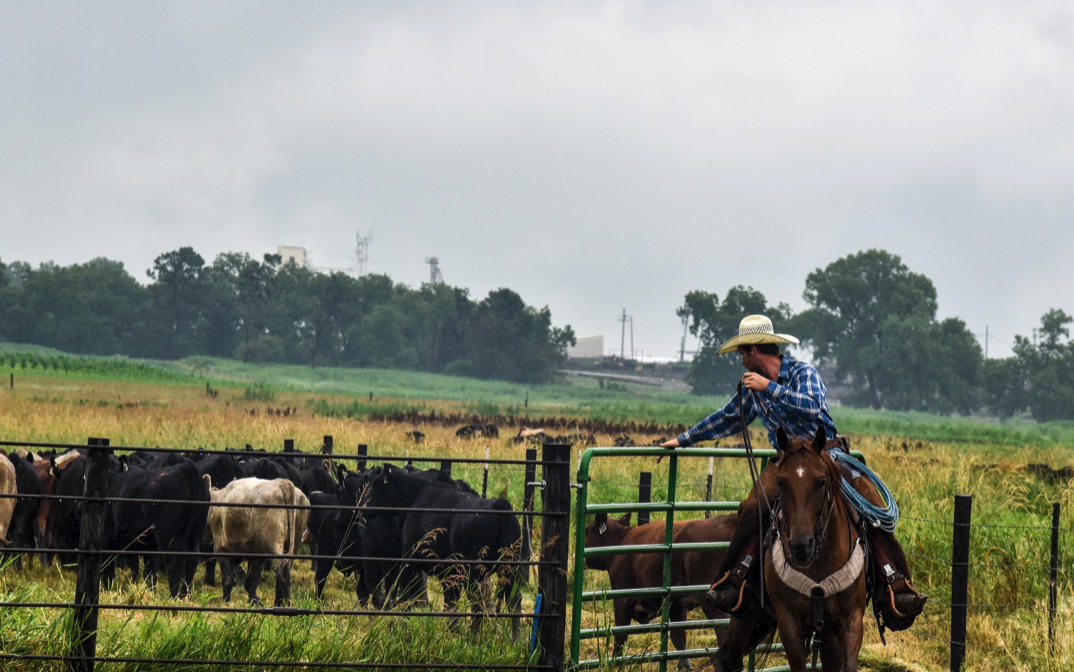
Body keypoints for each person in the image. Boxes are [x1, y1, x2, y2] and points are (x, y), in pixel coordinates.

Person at [659, 314, 926, 633]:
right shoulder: (751, 388)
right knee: (753, 507)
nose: (742, 362)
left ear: (755, 350)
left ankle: (895, 585)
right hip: (786, 462)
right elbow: (727, 418)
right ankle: (735, 579)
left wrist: (769, 387)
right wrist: (682, 440)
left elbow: (813, 407)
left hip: (825, 453)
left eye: (743, 354)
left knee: (869, 502)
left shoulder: (803, 373)